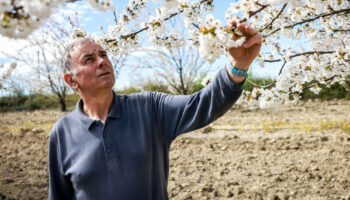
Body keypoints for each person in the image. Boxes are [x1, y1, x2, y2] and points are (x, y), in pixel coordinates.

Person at [48, 20, 262, 199]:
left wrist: (238, 66)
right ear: (71, 81)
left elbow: (203, 104)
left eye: (104, 55)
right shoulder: (62, 132)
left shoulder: (150, 108)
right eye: (90, 59)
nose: (103, 61)